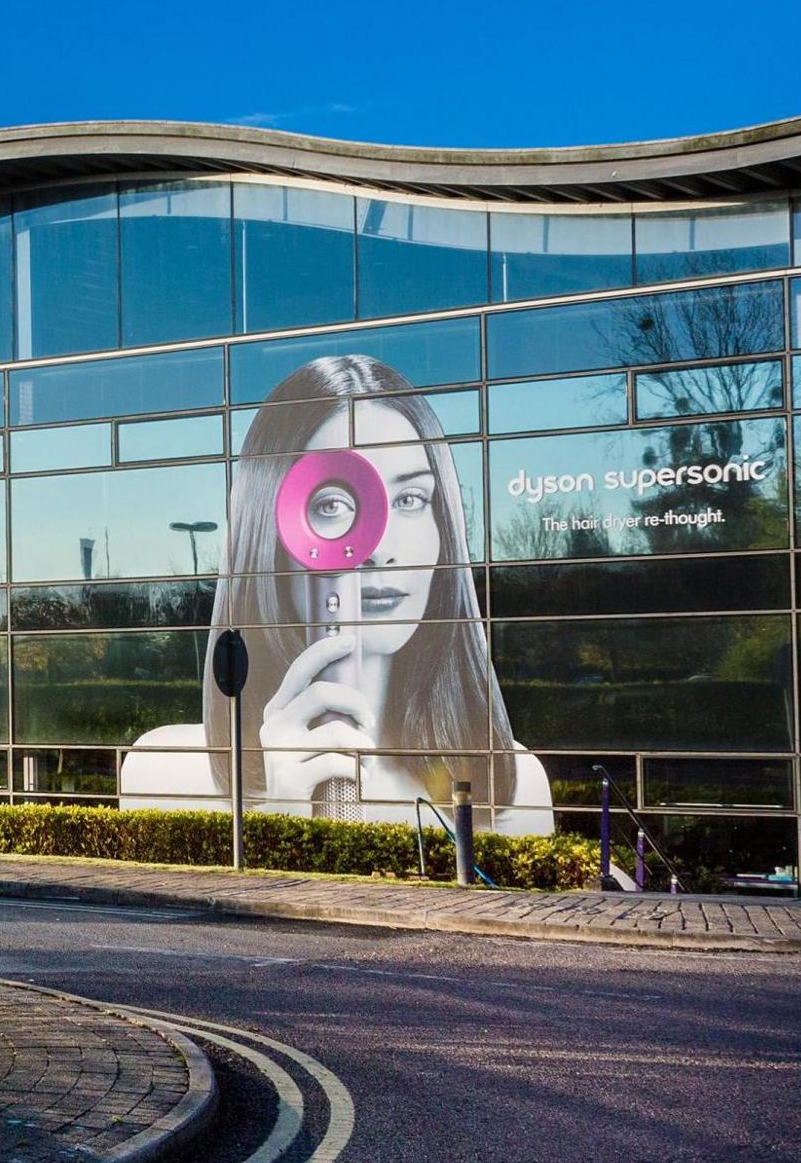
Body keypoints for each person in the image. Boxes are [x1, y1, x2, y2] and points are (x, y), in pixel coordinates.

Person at [119, 353, 553, 834]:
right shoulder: (168, 772)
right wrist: (279, 824)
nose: (379, 550)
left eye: (411, 500)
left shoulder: (511, 784)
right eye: (331, 505)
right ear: (268, 535)